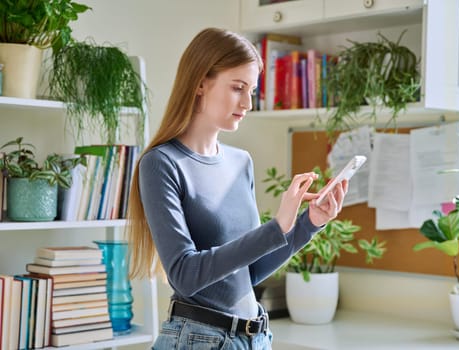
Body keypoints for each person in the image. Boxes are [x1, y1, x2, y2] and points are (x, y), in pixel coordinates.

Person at [126, 27, 348, 350]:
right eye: (237, 88)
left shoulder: (240, 162)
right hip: (198, 340)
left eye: (252, 91)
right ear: (201, 82)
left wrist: (308, 223)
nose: (248, 103)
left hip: (255, 337)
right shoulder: (161, 163)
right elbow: (184, 274)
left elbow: (251, 271)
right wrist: (277, 227)